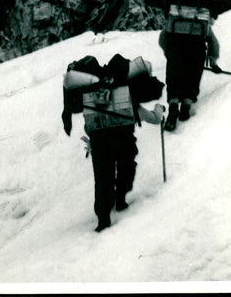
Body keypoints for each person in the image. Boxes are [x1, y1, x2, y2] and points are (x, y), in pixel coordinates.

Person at [62, 53, 165, 233]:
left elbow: (88, 124)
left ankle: (103, 218)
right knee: (127, 168)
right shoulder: (126, 94)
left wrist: (94, 135)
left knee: (102, 177)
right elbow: (152, 118)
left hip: (99, 139)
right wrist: (159, 110)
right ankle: (120, 198)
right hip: (123, 136)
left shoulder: (90, 95)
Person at [158, 9, 219, 131]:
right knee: (192, 80)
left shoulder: (176, 15)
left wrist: (168, 53)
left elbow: (162, 38)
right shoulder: (202, 18)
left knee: (173, 80)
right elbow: (213, 42)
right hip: (197, 51)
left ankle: (173, 108)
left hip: (176, 49)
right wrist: (213, 61)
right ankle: (186, 106)